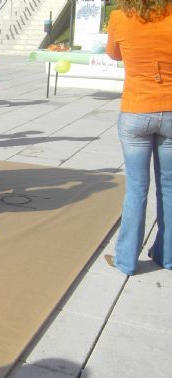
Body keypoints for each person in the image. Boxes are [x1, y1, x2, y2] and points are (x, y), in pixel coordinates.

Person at [104, 0, 172, 275]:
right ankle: (166, 255)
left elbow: (114, 54)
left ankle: (127, 260)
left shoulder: (120, 17)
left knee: (136, 188)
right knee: (168, 187)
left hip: (136, 109)